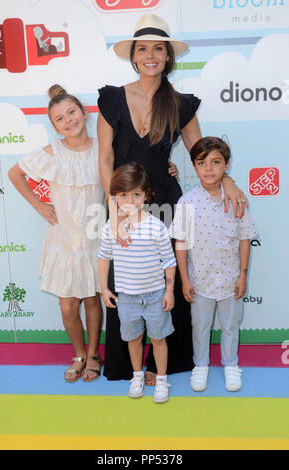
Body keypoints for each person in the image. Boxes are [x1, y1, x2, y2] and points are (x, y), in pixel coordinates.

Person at [97, 13, 248, 383]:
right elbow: (104, 157)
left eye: (158, 49)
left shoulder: (179, 102)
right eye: (144, 48)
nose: (151, 55)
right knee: (126, 279)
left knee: (169, 277)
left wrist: (225, 179)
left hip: (168, 202)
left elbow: (202, 150)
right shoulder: (112, 99)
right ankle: (127, 365)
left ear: (168, 56)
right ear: (134, 55)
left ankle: (165, 364)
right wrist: (115, 208)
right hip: (124, 202)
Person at [8, 84, 105, 383]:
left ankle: (93, 354)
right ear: (55, 127)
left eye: (72, 112)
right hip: (64, 240)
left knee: (91, 300)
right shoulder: (53, 153)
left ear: (84, 113)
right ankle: (77, 353)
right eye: (60, 119)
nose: (68, 120)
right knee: (67, 304)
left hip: (94, 238)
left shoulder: (104, 149)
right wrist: (39, 206)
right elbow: (15, 173)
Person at [169, 137, 258, 392]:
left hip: (231, 280)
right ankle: (201, 366)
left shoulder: (237, 200)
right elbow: (181, 243)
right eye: (202, 163)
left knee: (231, 325)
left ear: (226, 165)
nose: (209, 169)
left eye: (216, 162)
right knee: (200, 326)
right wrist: (185, 279)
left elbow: (244, 239)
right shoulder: (187, 201)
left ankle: (231, 365)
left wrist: (242, 275)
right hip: (200, 280)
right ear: (195, 166)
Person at [98, 162, 176, 402]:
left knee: (158, 338)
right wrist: (104, 289)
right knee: (133, 339)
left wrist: (169, 290)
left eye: (136, 194)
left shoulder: (156, 226)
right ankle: (137, 376)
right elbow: (103, 258)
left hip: (155, 294)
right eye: (123, 195)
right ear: (115, 197)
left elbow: (169, 261)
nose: (130, 200)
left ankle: (162, 379)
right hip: (127, 297)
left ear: (146, 195)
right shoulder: (111, 229)